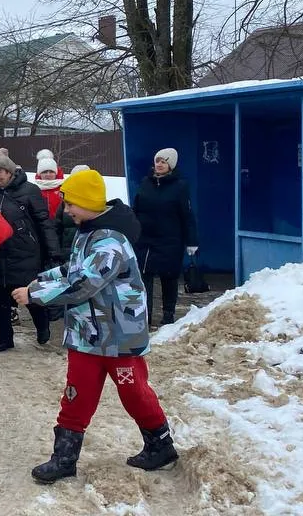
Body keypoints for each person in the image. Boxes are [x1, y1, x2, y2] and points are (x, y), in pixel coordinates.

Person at [12, 167, 178, 484]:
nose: (66, 209)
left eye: (70, 203)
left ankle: (161, 446)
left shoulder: (111, 243)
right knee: (76, 394)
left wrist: (34, 294)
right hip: (86, 336)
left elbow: (85, 284)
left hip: (119, 338)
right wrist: (43, 279)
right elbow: (72, 270)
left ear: (87, 202)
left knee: (134, 393)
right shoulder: (87, 233)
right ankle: (64, 459)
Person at [0, 148, 64, 350]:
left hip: (25, 253)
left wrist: (53, 252)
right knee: (0, 298)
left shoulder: (29, 190)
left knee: (29, 294)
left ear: (10, 172)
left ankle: (42, 329)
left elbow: (44, 222)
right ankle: (5, 338)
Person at [132, 148, 199, 326]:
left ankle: (168, 315)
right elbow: (136, 209)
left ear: (171, 165)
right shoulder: (145, 182)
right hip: (145, 240)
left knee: (168, 278)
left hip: (170, 240)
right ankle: (144, 316)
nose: (159, 164)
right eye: (158, 160)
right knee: (144, 278)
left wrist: (191, 241)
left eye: (164, 161)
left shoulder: (180, 186)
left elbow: (187, 215)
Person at [54, 165, 90, 251]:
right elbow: (57, 228)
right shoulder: (65, 203)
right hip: (67, 251)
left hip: (87, 250)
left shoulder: (96, 203)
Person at [34, 149, 65, 217]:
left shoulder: (64, 188)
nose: (48, 174)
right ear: (39, 174)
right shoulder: (33, 189)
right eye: (44, 172)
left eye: (51, 171)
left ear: (55, 173)